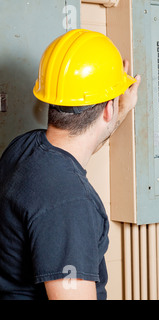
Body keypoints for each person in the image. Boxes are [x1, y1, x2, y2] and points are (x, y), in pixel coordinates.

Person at [0, 29, 141, 300]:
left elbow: (76, 152)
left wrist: (120, 110)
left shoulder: (25, 148)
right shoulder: (70, 203)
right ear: (106, 109)